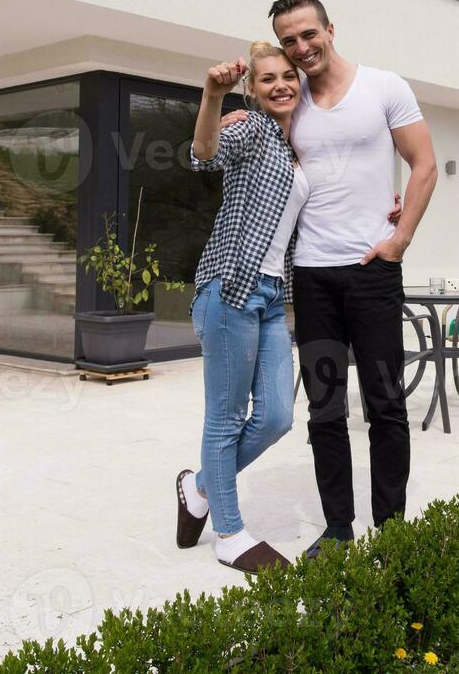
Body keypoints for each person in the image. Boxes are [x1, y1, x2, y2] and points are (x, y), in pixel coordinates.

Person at [267, 0, 438, 558]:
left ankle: (391, 530)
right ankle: (338, 527)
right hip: (313, 278)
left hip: (371, 275)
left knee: (386, 403)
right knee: (325, 408)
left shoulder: (385, 86)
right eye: (289, 40)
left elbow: (424, 164)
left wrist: (400, 238)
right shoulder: (292, 107)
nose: (301, 47)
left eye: (307, 34)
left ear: (329, 29)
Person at [174, 41, 308, 574]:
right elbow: (203, 152)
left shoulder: (298, 149)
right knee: (226, 420)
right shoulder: (249, 128)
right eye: (268, 78)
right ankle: (228, 531)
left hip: (274, 297)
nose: (280, 85)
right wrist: (212, 95)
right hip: (230, 288)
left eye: (288, 77)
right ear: (253, 90)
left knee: (277, 416)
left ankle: (199, 486)